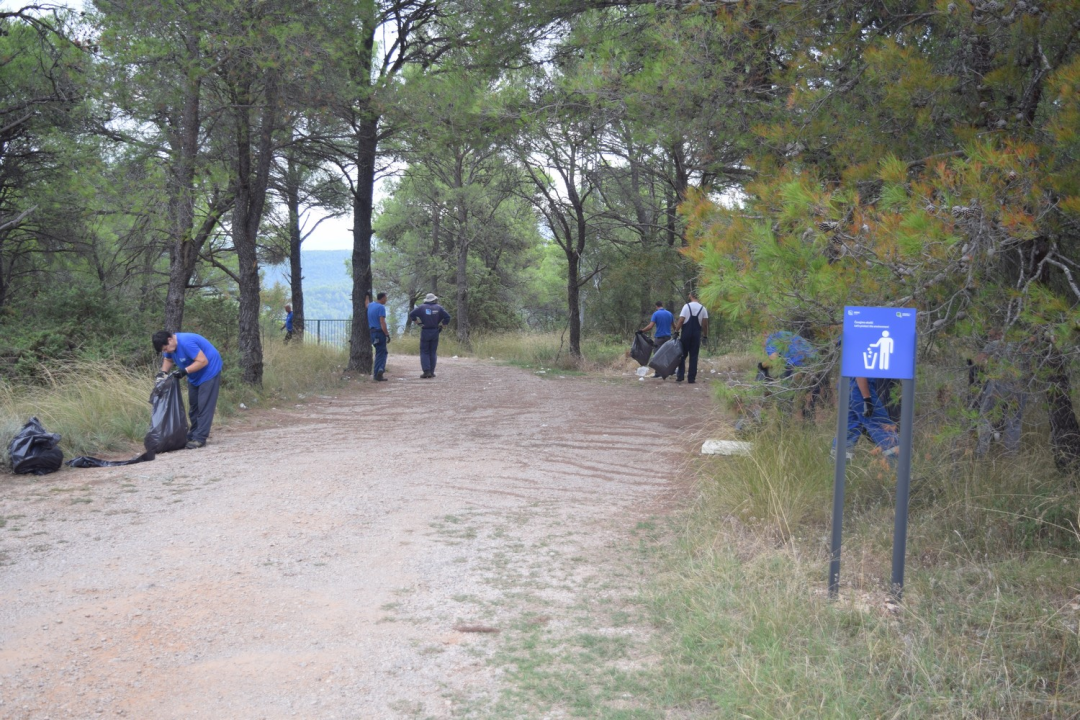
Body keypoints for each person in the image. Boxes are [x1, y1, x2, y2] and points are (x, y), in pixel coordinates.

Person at [152, 330, 223, 450]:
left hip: (209, 371)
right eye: (163, 351)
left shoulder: (186, 343)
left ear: (170, 340)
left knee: (204, 405)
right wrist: (162, 373)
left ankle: (200, 438)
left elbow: (203, 361)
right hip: (194, 375)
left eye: (165, 349)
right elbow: (168, 360)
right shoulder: (171, 347)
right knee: (193, 405)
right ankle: (193, 434)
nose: (165, 352)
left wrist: (184, 371)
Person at [974, 330, 1027, 457]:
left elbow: (978, 360)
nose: (989, 339)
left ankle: (981, 452)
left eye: (992, 336)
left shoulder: (996, 344)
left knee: (985, 417)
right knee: (1014, 421)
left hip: (998, 385)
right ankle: (1010, 454)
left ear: (1001, 333)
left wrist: (989, 368)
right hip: (1020, 387)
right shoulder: (1024, 346)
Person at [833, 376, 899, 462]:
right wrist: (867, 399)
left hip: (848, 386)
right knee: (885, 428)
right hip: (860, 389)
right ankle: (898, 468)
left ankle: (837, 465)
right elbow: (860, 369)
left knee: (848, 431)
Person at [407, 292, 451, 379]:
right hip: (435, 331)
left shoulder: (421, 307)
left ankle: (426, 371)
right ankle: (432, 372)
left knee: (424, 351)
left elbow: (411, 314)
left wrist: (417, 322)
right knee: (433, 352)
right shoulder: (439, 308)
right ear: (434, 299)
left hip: (425, 331)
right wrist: (443, 325)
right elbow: (448, 317)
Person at [673, 290, 708, 384]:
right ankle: (691, 378)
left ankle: (680, 376)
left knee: (682, 355)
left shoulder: (686, 306)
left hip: (686, 334)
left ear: (691, 295)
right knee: (694, 356)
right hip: (696, 335)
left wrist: (676, 331)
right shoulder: (703, 308)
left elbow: (681, 320)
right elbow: (704, 325)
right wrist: (705, 336)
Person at [640, 300, 674, 378]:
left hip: (659, 337)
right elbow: (674, 326)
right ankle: (668, 371)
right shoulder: (669, 314)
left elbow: (650, 326)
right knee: (667, 354)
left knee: (657, 355)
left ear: (656, 306)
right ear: (662, 305)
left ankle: (658, 373)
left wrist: (642, 330)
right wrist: (675, 332)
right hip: (668, 337)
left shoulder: (656, 314)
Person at [368, 291, 390, 382]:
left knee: (379, 352)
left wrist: (366, 296)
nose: (386, 300)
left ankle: (378, 371)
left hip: (372, 333)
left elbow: (366, 304)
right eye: (386, 298)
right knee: (382, 352)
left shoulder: (371, 305)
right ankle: (379, 371)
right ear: (382, 298)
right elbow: (382, 322)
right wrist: (387, 334)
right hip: (379, 332)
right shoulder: (381, 307)